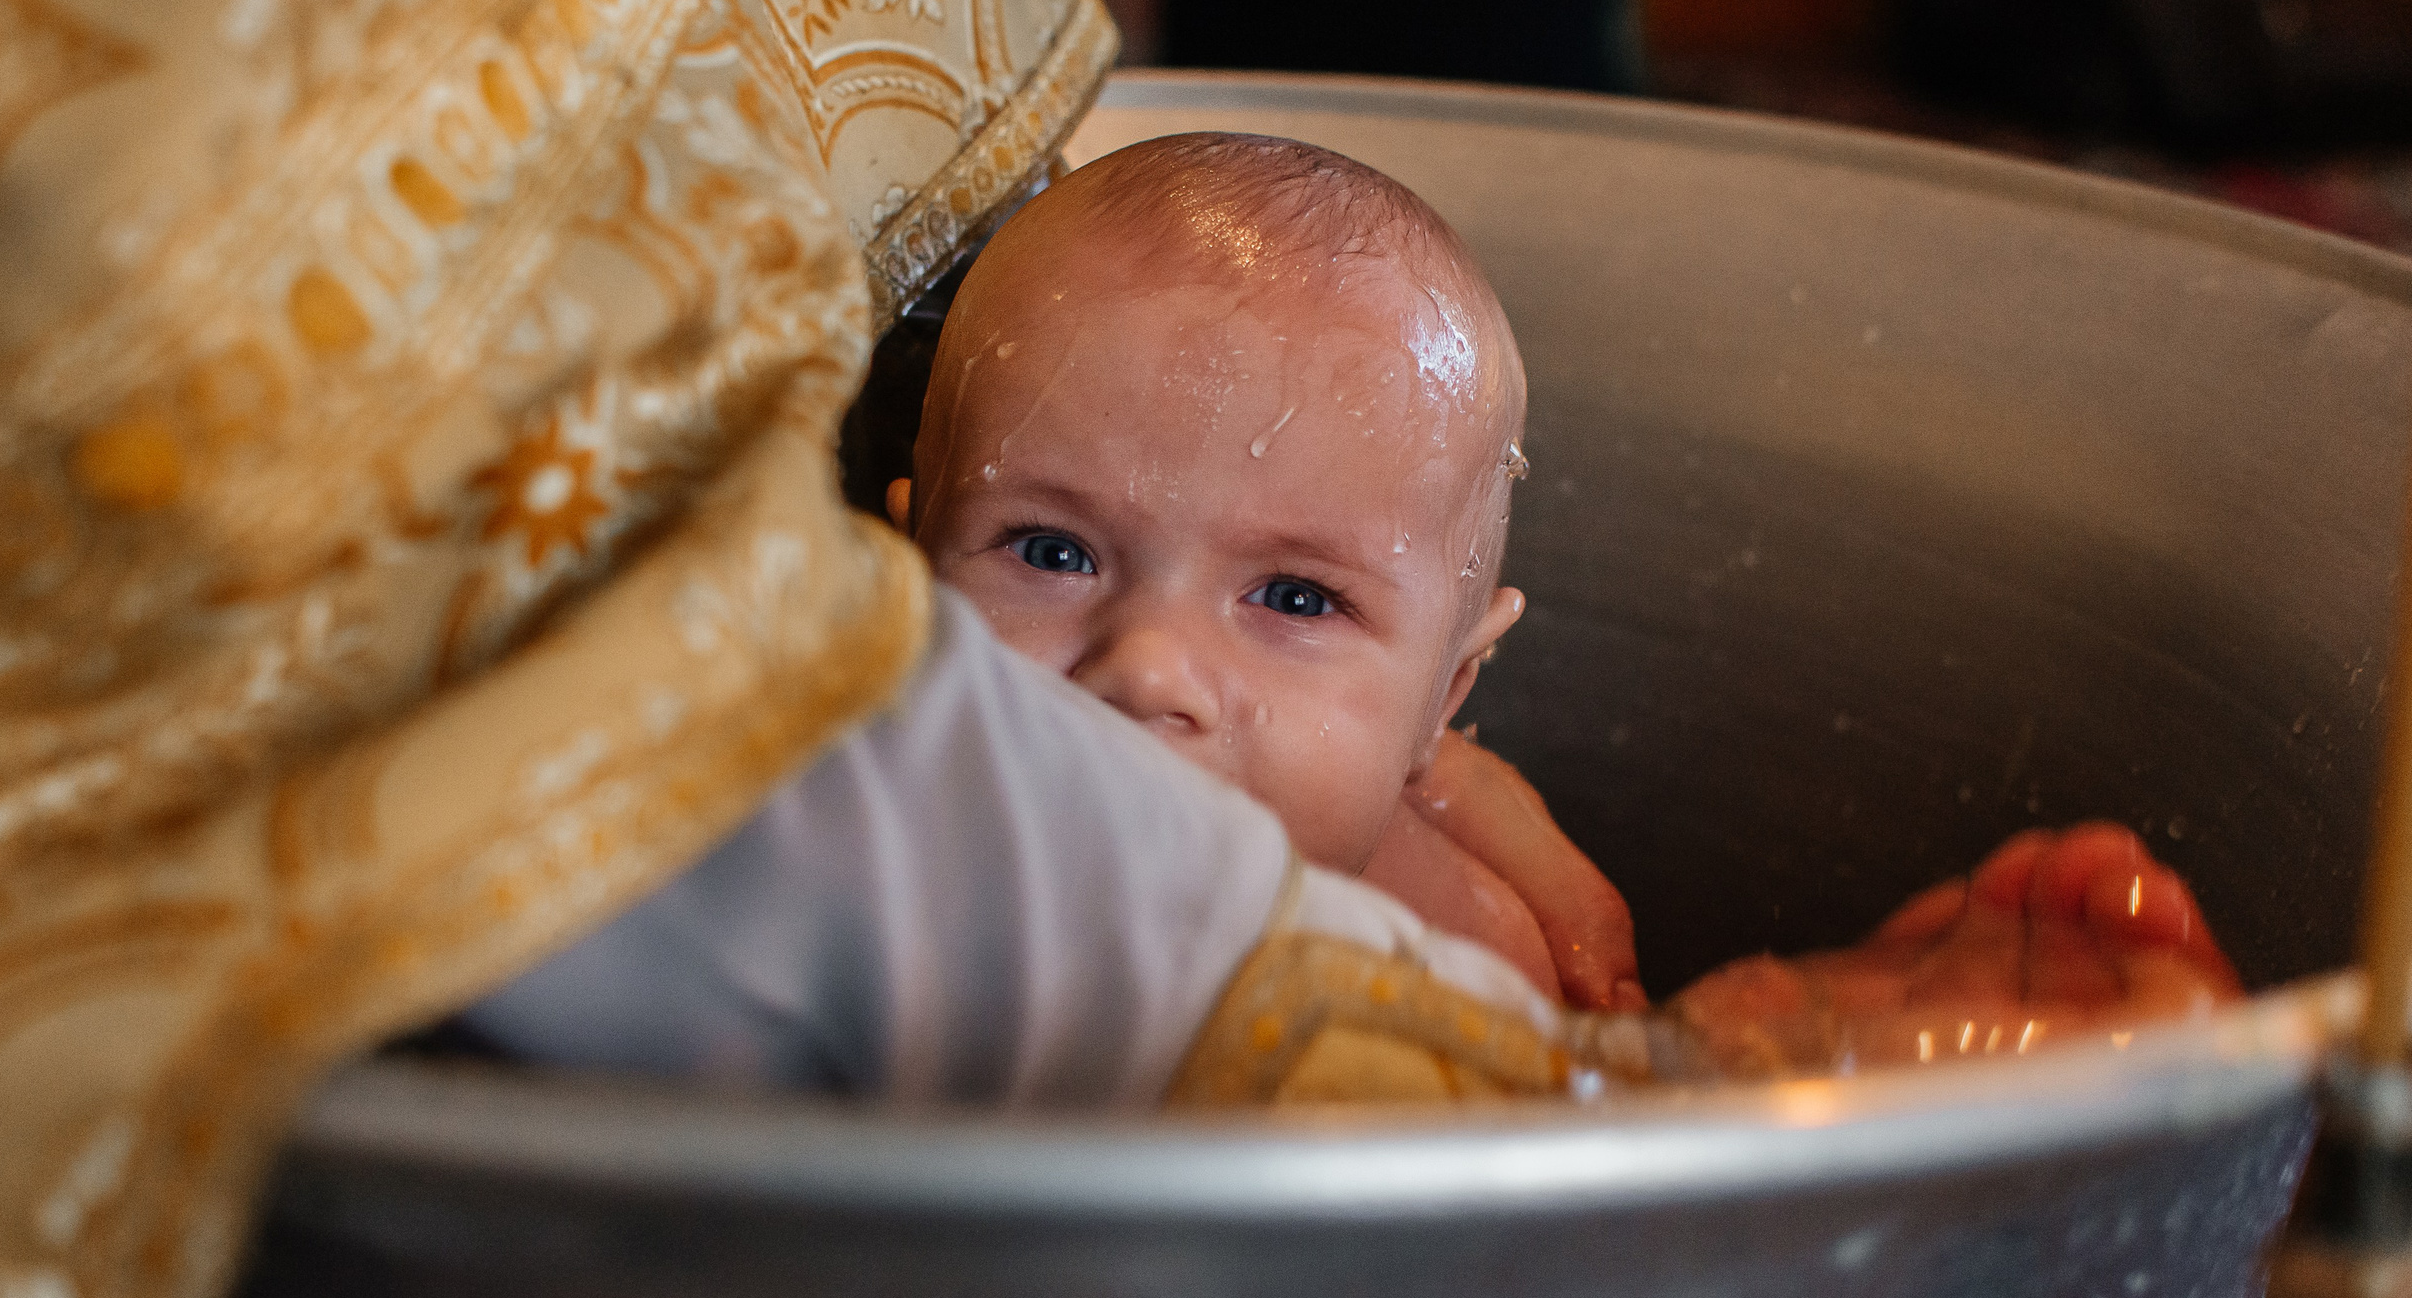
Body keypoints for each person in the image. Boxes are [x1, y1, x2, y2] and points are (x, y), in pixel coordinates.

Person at [869, 130, 2242, 1061]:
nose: (1148, 668)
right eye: (1051, 553)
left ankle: (1731, 1091)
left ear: (1443, 704)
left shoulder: (1465, 945)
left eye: (1293, 597)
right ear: (894, 572)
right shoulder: (861, 863)